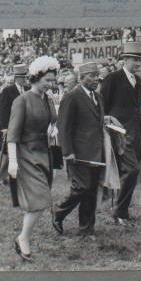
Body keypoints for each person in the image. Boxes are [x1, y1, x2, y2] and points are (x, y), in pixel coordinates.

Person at [8, 56, 59, 261]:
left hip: (43, 152)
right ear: (36, 78)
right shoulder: (22, 100)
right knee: (40, 199)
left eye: (53, 80)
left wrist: (52, 130)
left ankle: (23, 237)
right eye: (47, 80)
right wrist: (13, 161)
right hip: (26, 154)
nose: (51, 84)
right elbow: (13, 133)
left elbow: (50, 120)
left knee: (40, 199)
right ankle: (23, 238)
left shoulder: (47, 99)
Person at [52, 61, 105, 237]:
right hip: (78, 153)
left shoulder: (98, 97)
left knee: (90, 191)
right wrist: (67, 152)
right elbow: (63, 126)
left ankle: (86, 228)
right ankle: (58, 211)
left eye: (97, 76)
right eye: (92, 76)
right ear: (81, 78)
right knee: (82, 187)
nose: (96, 79)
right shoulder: (72, 96)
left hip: (96, 152)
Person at [100, 40, 141, 227]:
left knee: (131, 172)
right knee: (132, 170)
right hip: (119, 133)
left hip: (136, 132)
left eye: (140, 60)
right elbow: (102, 103)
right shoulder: (113, 78)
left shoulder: (138, 81)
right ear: (125, 59)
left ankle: (123, 211)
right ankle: (119, 211)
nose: (138, 63)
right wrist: (107, 124)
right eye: (134, 60)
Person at [0, 64, 28, 184]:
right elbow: (3, 110)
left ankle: (19, 175)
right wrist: (4, 127)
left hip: (25, 126)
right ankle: (2, 176)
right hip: (11, 126)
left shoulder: (28, 89)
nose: (23, 80)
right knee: (8, 152)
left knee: (22, 151)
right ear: (16, 78)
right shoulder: (7, 91)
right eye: (21, 77)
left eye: (24, 77)